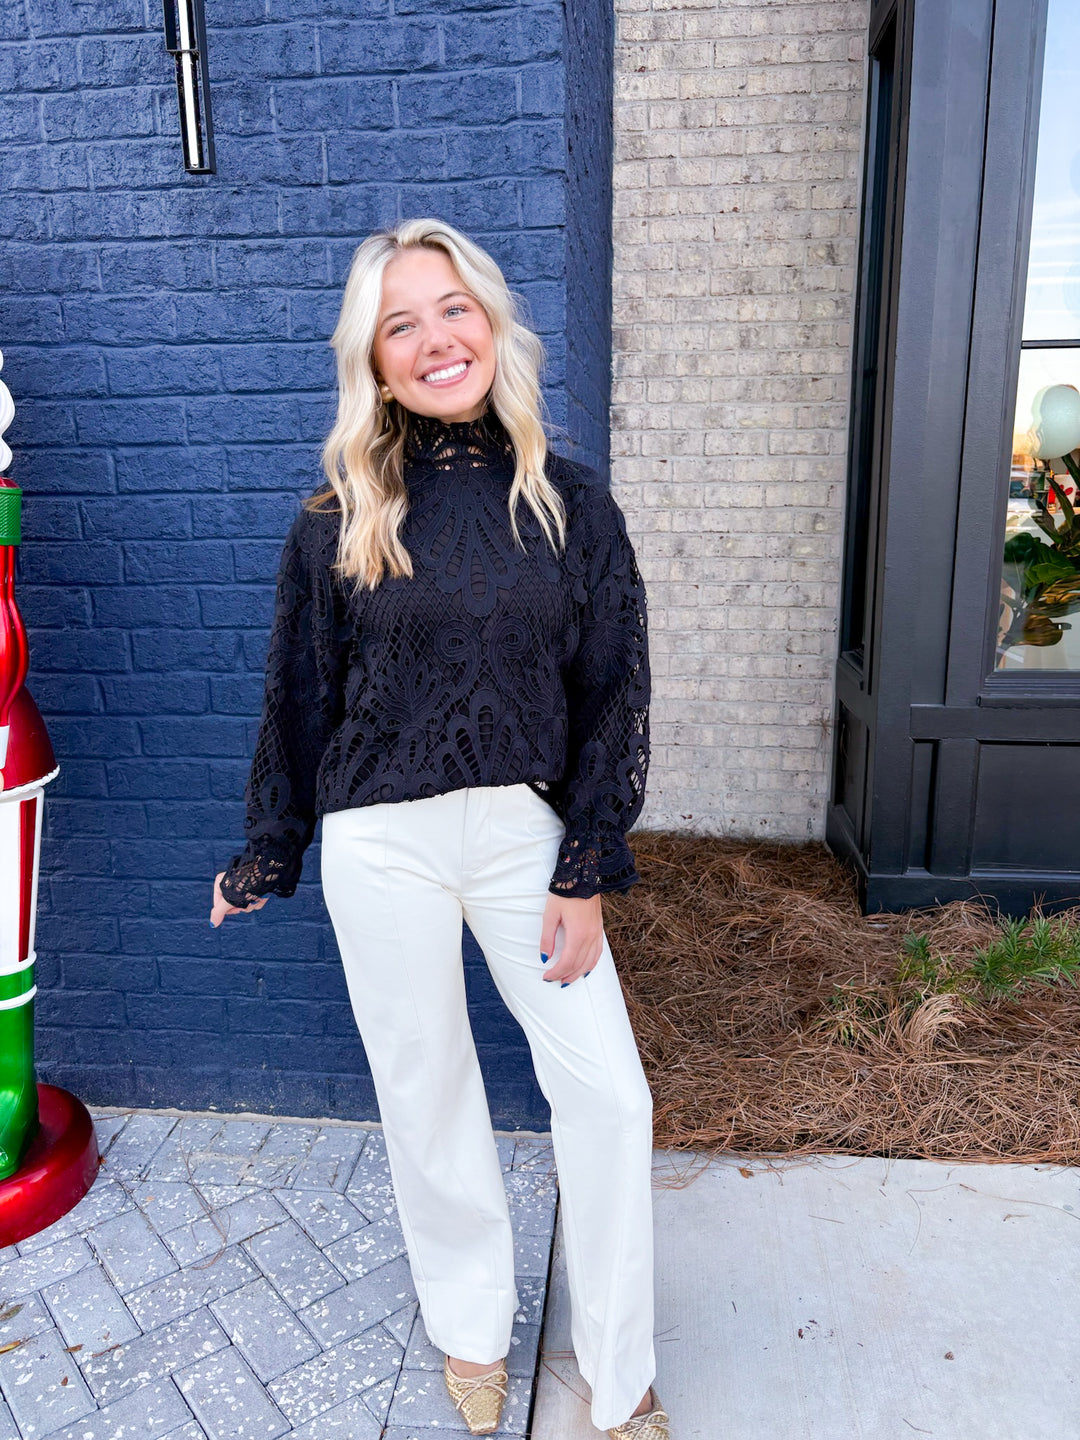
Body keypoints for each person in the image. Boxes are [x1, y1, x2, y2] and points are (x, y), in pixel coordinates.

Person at [209, 218, 668, 1439]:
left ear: (493, 323)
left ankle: (619, 1380)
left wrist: (585, 867)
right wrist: (270, 846)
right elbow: (301, 694)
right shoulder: (337, 517)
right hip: (383, 843)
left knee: (611, 1101)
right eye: (399, 324)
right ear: (375, 359)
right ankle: (472, 1328)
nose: (433, 339)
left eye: (451, 308)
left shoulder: (570, 502)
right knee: (429, 1095)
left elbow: (612, 689)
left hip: (527, 837)